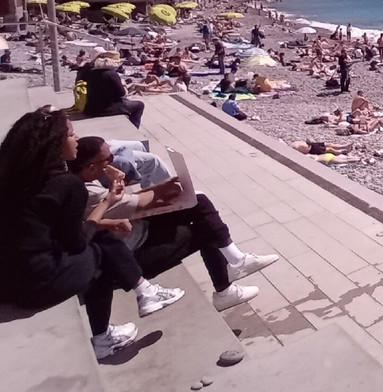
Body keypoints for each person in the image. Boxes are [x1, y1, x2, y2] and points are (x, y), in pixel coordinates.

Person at [0, 108, 184, 360]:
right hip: (38, 285)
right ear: (55, 143)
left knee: (99, 233)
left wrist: (101, 221)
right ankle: (109, 330)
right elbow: (76, 243)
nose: (76, 140)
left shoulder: (17, 178)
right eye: (71, 134)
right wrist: (107, 204)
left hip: (9, 281)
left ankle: (144, 293)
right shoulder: (67, 184)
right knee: (98, 251)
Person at [69, 137, 278, 312]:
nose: (113, 161)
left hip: (135, 233)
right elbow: (137, 203)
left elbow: (126, 202)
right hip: (131, 255)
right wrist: (161, 190)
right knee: (204, 228)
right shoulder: (88, 192)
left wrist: (162, 186)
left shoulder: (83, 181)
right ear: (91, 167)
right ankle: (226, 285)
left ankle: (235, 262)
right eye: (109, 159)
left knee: (198, 202)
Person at [83, 53, 145, 128]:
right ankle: (134, 128)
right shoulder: (111, 74)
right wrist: (123, 84)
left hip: (91, 108)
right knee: (139, 105)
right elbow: (123, 93)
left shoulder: (92, 72)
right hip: (107, 109)